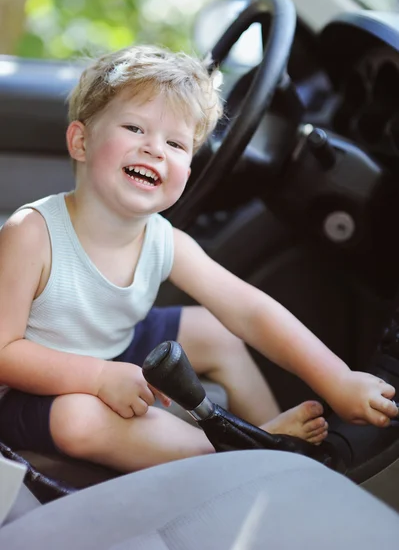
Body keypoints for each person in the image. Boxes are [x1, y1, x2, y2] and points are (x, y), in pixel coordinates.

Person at [0, 45, 397, 473]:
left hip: (113, 348)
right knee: (79, 419)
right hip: (27, 390)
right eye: (134, 128)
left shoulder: (164, 239)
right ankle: (237, 455)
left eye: (176, 143)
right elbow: (5, 352)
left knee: (216, 331)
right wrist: (96, 378)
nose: (155, 149)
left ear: (188, 171)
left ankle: (263, 434)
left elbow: (251, 311)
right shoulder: (32, 232)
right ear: (80, 141)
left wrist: (337, 380)